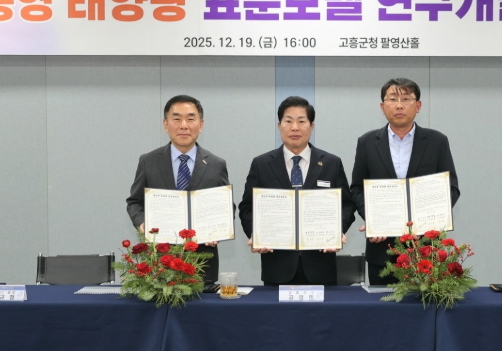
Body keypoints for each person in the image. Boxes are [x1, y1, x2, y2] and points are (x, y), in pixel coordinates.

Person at [350, 78, 460, 285]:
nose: (399, 105)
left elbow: (450, 188)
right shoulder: (367, 142)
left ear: (418, 106)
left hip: (425, 248)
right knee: (381, 303)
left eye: (406, 99)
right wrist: (373, 219)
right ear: (382, 107)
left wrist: (428, 224)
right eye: (392, 99)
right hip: (382, 249)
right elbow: (357, 189)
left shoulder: (437, 141)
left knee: (426, 304)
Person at [239, 96, 356, 285]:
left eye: (301, 121)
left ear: (311, 126)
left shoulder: (331, 163)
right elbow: (247, 208)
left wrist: (336, 231)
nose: (295, 128)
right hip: (277, 265)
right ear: (279, 126)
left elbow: (347, 205)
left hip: (321, 265)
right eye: (288, 121)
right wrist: (256, 234)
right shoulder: (262, 164)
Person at [126, 95, 231, 283]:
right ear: (166, 125)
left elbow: (226, 206)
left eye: (190, 119)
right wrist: (142, 223)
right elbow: (135, 202)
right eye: (176, 119)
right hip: (159, 263)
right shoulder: (149, 161)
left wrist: (218, 230)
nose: (184, 125)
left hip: (202, 264)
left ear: (201, 124)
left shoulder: (216, 164)